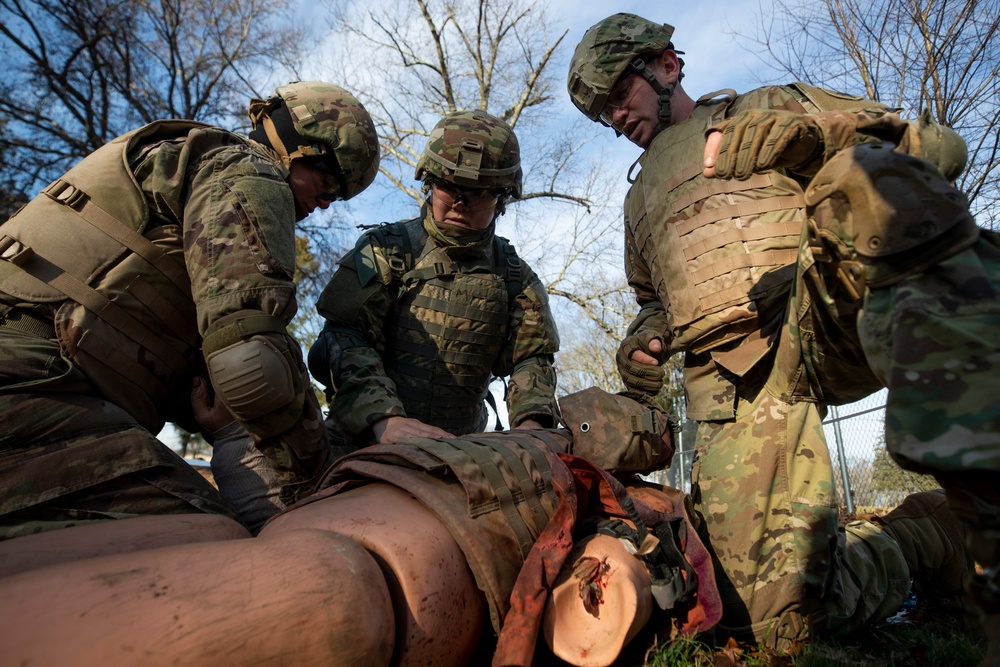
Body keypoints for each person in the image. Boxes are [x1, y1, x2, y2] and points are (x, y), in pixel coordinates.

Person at [566, 13, 991, 653]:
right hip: (731, 387)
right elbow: (653, 300)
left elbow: (937, 152)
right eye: (602, 113)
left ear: (665, 66)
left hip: (820, 309)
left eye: (619, 95)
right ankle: (927, 537)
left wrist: (814, 138)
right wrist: (645, 339)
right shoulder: (638, 201)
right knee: (772, 624)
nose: (616, 118)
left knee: (866, 182)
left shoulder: (769, 107)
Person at [0, 387, 722, 667]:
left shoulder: (626, 493)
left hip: (370, 567)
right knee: (307, 580)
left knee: (327, 589)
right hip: (354, 539)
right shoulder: (554, 451)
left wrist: (624, 554)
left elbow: (601, 609)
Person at [0, 81, 380, 552]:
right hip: (31, 387)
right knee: (221, 552)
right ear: (300, 147)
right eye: (327, 185)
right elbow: (251, 367)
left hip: (39, 383)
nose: (324, 204)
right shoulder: (251, 172)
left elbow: (149, 338)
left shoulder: (186, 159)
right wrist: (317, 476)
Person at [308, 110, 560, 453]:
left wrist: (532, 427)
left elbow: (532, 360)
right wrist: (384, 418)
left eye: (478, 193)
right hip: (364, 441)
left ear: (502, 197)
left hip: (458, 452)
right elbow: (341, 338)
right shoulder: (385, 249)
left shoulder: (515, 277)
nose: (460, 204)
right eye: (449, 187)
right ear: (429, 182)